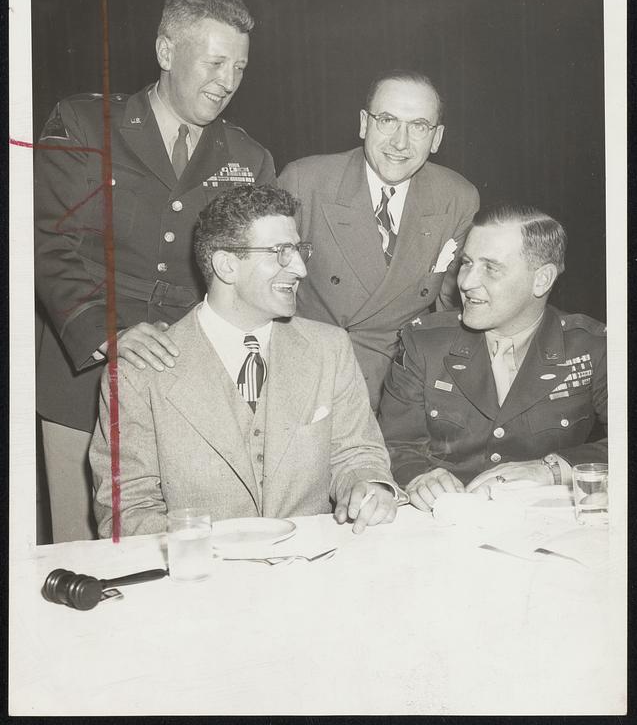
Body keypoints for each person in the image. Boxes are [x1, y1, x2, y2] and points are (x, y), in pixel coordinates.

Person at [34, 0, 275, 542]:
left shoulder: (249, 157)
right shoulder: (83, 124)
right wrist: (109, 332)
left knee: (178, 545)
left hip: (188, 379)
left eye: (239, 67)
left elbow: (250, 280)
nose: (227, 82)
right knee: (82, 550)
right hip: (85, 371)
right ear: (166, 52)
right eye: (215, 62)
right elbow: (49, 242)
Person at [90, 184, 401, 537]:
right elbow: (128, 511)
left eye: (298, 250)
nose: (299, 268)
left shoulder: (330, 348)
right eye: (280, 252)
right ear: (226, 265)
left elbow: (357, 453)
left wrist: (368, 486)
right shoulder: (136, 374)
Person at [377, 205, 607, 510]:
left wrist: (550, 469)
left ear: (542, 279)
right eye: (467, 263)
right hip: (445, 523)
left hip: (546, 525)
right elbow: (394, 444)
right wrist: (420, 476)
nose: (467, 282)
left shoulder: (590, 346)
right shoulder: (424, 343)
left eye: (491, 268)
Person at [278, 69, 479, 412]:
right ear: (363, 124)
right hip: (310, 381)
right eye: (387, 120)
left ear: (436, 138)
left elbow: (451, 312)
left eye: (418, 126)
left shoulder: (457, 197)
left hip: (401, 389)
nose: (400, 142)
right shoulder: (304, 182)